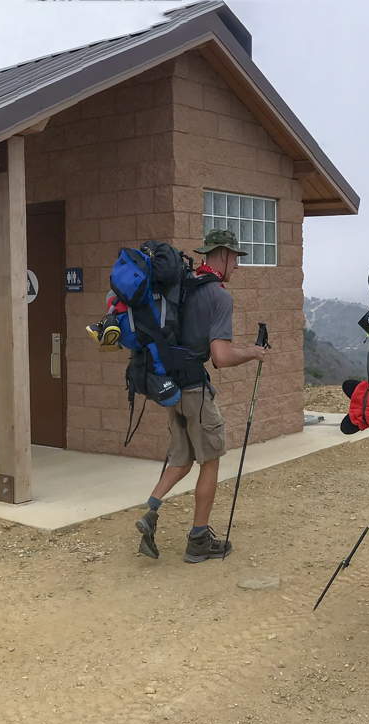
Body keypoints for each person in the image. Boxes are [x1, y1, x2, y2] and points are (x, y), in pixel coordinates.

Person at [135, 229, 270, 562]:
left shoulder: (183, 286)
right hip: (195, 389)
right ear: (221, 254)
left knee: (181, 458)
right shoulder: (219, 296)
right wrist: (253, 352)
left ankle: (150, 511)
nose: (237, 266)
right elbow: (221, 356)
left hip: (171, 388)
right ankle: (198, 540)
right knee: (210, 459)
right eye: (235, 258)